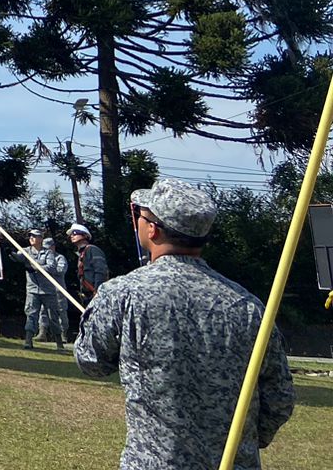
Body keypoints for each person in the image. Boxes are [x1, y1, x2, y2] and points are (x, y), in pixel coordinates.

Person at [76, 178, 295, 470]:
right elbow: (279, 397)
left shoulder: (122, 294)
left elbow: (91, 361)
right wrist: (244, 441)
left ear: (152, 229)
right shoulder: (248, 306)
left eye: (141, 215)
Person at [8, 227, 63, 350]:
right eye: (30, 236)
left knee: (52, 316)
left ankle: (59, 342)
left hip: (48, 290)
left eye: (35, 236)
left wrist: (36, 268)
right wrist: (11, 253)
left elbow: (52, 267)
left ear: (40, 239)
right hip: (33, 290)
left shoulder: (48, 252)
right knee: (31, 314)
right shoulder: (26, 251)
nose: (32, 238)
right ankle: (28, 340)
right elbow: (19, 258)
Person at [68, 221, 110, 309]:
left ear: (85, 235)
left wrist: (98, 291)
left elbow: (101, 270)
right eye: (71, 234)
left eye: (75, 233)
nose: (72, 236)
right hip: (87, 296)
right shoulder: (81, 254)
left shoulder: (92, 250)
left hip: (96, 294)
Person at [43, 236, 71, 346]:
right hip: (45, 289)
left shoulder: (60, 258)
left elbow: (61, 270)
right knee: (43, 311)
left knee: (61, 311)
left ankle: (63, 334)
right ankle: (42, 333)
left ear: (53, 247)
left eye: (48, 248)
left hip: (58, 290)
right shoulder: (43, 257)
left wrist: (48, 268)